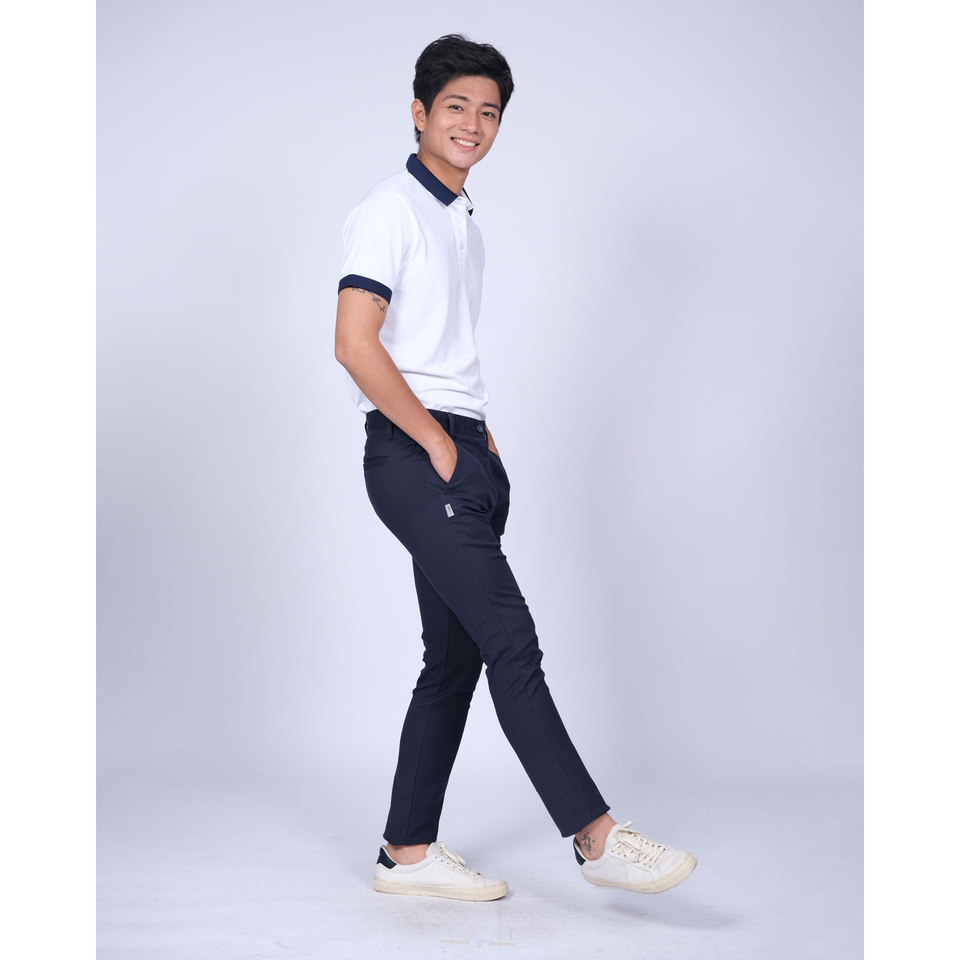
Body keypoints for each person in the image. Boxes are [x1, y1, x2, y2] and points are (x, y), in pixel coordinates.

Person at [334, 33, 697, 902]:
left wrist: (478, 439)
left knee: (453, 659)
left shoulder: (461, 223)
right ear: (419, 113)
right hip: (416, 453)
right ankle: (597, 838)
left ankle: (406, 854)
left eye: (489, 111)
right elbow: (354, 342)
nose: (473, 124)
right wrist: (436, 442)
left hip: (465, 453)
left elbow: (441, 351)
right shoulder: (389, 208)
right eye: (456, 106)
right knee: (511, 639)